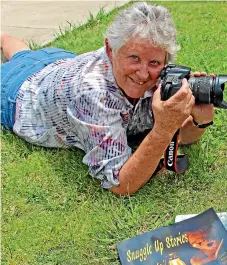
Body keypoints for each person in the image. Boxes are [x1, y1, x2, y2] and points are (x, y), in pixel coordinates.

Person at [0, 2, 214, 195]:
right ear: (110, 49)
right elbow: (121, 184)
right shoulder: (93, 94)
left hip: (57, 60)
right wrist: (163, 130)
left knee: (20, 51)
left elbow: (184, 136)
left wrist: (200, 120)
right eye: (134, 58)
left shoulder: (161, 74)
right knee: (20, 60)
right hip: (18, 91)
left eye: (154, 63)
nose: (143, 73)